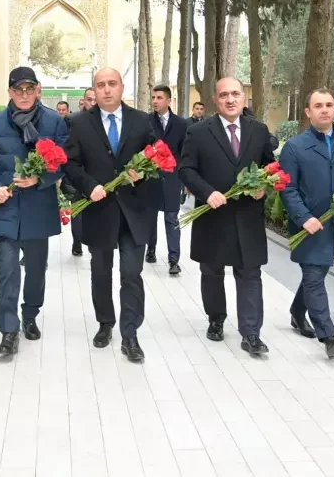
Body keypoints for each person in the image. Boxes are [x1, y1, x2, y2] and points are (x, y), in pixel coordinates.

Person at [0, 66, 69, 356]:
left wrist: (39, 179)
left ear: (38, 90)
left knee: (37, 268)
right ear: (10, 92)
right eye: (19, 90)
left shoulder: (54, 122)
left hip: (38, 207)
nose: (24, 95)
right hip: (6, 207)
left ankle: (30, 314)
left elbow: (64, 163)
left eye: (30, 89)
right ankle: (8, 329)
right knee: (7, 267)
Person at [65, 68, 156, 362]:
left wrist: (140, 174)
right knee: (100, 272)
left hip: (134, 212)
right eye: (101, 85)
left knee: (131, 273)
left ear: (122, 87)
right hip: (99, 210)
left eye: (112, 84)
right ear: (95, 89)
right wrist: (89, 186)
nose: (106, 90)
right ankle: (106, 323)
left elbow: (157, 159)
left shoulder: (142, 122)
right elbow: (71, 163)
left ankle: (130, 333)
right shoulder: (79, 123)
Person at [179, 77, 275, 356]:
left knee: (250, 273)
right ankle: (216, 319)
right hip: (213, 214)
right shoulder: (198, 132)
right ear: (215, 100)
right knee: (212, 271)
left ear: (244, 98)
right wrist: (207, 193)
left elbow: (270, 167)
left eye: (235, 94)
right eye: (224, 95)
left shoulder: (259, 131)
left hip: (247, 216)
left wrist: (262, 187)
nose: (230, 99)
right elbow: (186, 170)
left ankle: (251, 333)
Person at [279, 87, 334, 359]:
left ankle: (296, 311)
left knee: (316, 274)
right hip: (308, 227)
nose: (324, 109)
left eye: (329, 104)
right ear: (308, 112)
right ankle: (328, 336)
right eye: (318, 105)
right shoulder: (294, 147)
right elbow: (287, 188)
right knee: (314, 277)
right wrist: (304, 218)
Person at [146, 85, 187, 275]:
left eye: (159, 97)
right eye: (153, 97)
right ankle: (151, 250)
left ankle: (173, 260)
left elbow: (185, 153)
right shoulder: (146, 121)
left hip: (172, 178)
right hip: (151, 178)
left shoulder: (181, 124)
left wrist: (185, 179)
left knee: (171, 218)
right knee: (151, 217)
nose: (155, 101)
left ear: (169, 101)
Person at [63, 87, 98, 257]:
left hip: (96, 175)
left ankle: (92, 240)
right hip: (76, 174)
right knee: (77, 210)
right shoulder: (72, 119)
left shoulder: (103, 120)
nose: (92, 102)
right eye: (89, 99)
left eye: (94, 99)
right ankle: (77, 241)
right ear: (83, 101)